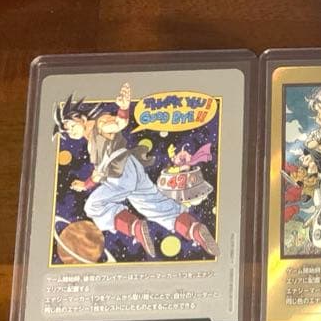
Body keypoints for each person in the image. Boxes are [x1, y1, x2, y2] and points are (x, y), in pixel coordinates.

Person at [59, 83, 218, 258]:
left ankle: (134, 227)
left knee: (93, 206)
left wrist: (123, 108)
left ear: (81, 118)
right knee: (155, 206)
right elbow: (98, 174)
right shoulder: (91, 140)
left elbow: (119, 123)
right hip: (131, 168)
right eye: (67, 132)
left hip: (120, 174)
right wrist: (85, 184)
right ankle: (195, 230)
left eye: (71, 125)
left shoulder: (100, 124)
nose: (71, 132)